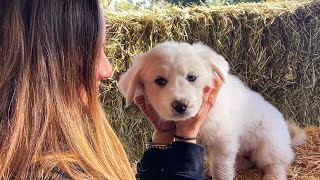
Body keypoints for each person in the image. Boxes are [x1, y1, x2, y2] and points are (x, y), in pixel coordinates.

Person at [0, 0, 222, 179]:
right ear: (44, 62)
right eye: (92, 51)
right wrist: (186, 142)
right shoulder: (53, 172)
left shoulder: (35, 151)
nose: (108, 69)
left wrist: (163, 138)